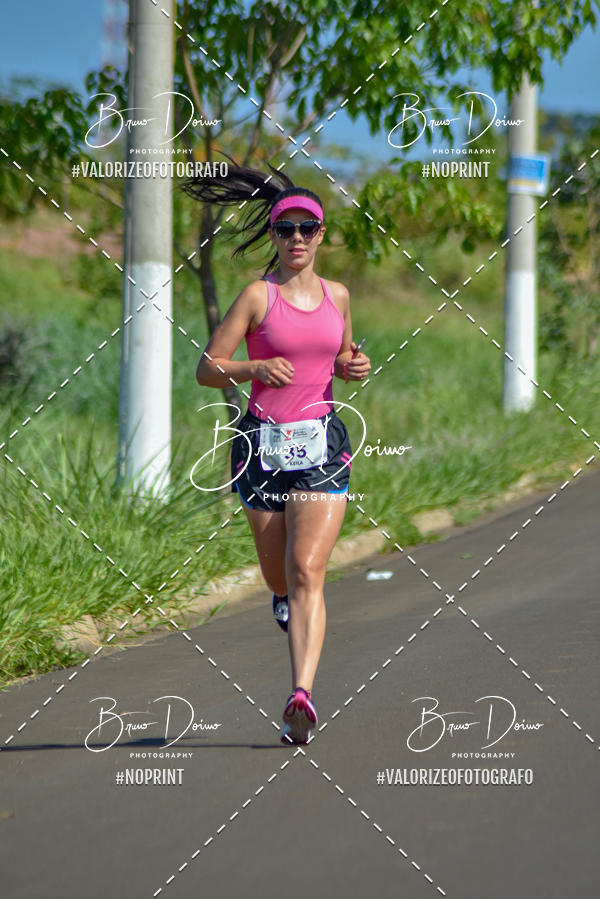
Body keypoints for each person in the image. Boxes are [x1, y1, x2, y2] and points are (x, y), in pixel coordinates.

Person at [182, 162, 371, 744]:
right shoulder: (257, 297)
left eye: (306, 229)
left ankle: (300, 696)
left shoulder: (338, 294)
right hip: (261, 446)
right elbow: (206, 370)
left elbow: (339, 359)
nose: (295, 238)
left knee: (308, 568)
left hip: (320, 444)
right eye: (285, 228)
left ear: (320, 235)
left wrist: (352, 366)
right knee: (278, 573)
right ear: (273, 234)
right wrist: (253, 366)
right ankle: (282, 599)